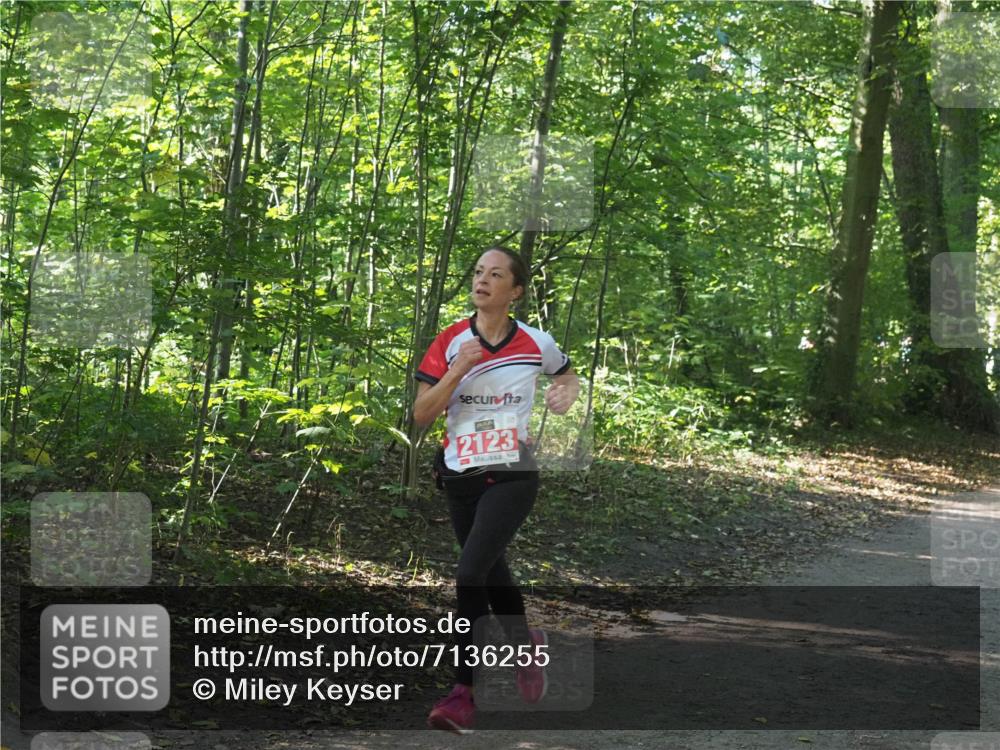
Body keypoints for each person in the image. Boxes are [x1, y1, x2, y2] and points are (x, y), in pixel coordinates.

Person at [413, 246, 579, 733]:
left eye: (496, 274)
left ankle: (464, 693)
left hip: (513, 473)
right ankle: (526, 648)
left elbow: (567, 373)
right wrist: (457, 369)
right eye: (479, 272)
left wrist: (565, 392)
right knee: (492, 569)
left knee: (470, 573)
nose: (482, 280)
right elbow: (422, 415)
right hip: (459, 474)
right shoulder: (449, 341)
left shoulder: (535, 341)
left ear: (516, 291)